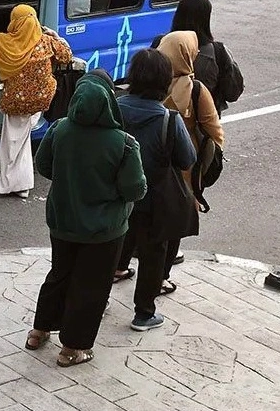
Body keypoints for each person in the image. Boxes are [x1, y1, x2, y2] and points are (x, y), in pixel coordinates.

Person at [25, 70, 146, 368]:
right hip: (104, 231)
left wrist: (70, 179)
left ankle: (39, 331)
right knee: (90, 286)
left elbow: (43, 166)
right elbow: (135, 188)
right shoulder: (124, 143)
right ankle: (73, 348)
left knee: (59, 274)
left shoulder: (59, 129)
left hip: (62, 222)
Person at [114, 50, 197, 332]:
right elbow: (187, 159)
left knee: (111, 248)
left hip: (115, 196)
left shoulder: (114, 107)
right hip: (153, 200)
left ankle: (99, 299)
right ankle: (144, 313)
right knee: (153, 254)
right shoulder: (169, 120)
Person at [156, 31, 225, 293]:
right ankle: (159, 277)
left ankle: (125, 268)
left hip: (157, 166)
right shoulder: (195, 89)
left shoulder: (151, 80)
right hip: (183, 169)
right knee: (173, 224)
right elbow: (214, 131)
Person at [0, 4, 73, 198]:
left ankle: (14, 184)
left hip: (16, 103)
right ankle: (22, 183)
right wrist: (54, 35)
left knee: (12, 142)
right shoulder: (45, 41)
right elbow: (66, 55)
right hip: (41, 100)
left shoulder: (3, 42)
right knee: (24, 137)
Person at [152, 0, 244, 114]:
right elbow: (233, 93)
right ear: (206, 18)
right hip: (203, 126)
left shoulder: (161, 43)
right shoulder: (218, 52)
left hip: (164, 121)